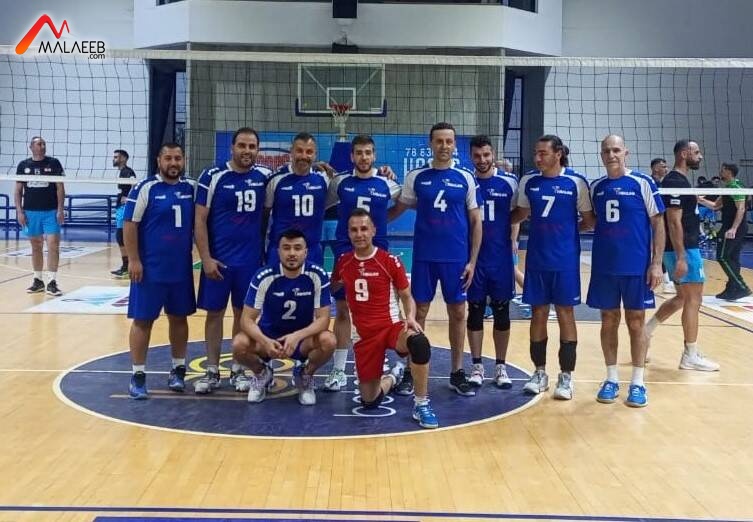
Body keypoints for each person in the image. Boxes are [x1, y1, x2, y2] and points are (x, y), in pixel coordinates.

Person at [389, 122, 482, 397]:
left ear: (454, 145)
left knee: (458, 312)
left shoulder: (465, 177)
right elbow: (398, 208)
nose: (444, 146)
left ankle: (457, 372)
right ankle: (410, 371)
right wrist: (372, 223)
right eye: (439, 141)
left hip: (456, 258)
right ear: (430, 144)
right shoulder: (416, 176)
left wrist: (472, 261)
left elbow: (476, 221)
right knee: (418, 313)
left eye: (448, 141)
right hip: (424, 257)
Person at [331, 209, 438, 428]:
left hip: (391, 328)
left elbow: (407, 296)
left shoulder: (389, 261)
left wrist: (410, 317)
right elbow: (334, 286)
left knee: (419, 342)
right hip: (364, 337)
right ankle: (394, 376)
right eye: (354, 230)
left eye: (364, 229)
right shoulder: (343, 262)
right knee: (370, 401)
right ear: (348, 233)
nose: (359, 234)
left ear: (373, 230)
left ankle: (421, 404)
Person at [511, 134, 595, 400]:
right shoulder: (529, 181)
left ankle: (566, 377)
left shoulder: (576, 182)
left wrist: (567, 231)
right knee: (538, 313)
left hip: (565, 261)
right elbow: (520, 214)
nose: (537, 158)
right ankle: (539, 373)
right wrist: (492, 222)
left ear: (558, 154)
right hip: (537, 259)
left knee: (565, 313)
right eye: (536, 153)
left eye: (543, 153)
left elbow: (590, 221)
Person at [588, 135, 666, 408]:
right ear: (601, 155)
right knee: (608, 320)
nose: (611, 155)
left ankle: (638, 382)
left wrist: (656, 263)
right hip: (605, 266)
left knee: (636, 322)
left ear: (626, 153)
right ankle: (611, 378)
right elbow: (591, 221)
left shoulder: (642, 182)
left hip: (636, 267)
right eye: (606, 151)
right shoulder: (596, 187)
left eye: (616, 150)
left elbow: (658, 223)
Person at [193, 127, 272, 394]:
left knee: (243, 315)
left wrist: (319, 168)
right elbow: (199, 220)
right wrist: (206, 258)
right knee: (214, 314)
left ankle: (238, 370)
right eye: (242, 145)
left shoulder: (264, 176)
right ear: (232, 147)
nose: (247, 151)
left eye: (252, 146)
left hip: (250, 261)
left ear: (258, 150)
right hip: (219, 261)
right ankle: (212, 371)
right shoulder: (212, 175)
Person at [322, 134, 401, 392]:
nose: (364, 157)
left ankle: (382, 362)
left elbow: (404, 203)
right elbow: (323, 202)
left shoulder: (387, 182)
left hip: (378, 254)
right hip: (346, 252)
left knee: (377, 311)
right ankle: (338, 369)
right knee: (343, 309)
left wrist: (382, 221)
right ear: (352, 156)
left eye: (368, 152)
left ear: (374, 155)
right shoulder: (340, 182)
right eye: (359, 152)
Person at [124, 143, 196, 399]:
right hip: (150, 269)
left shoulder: (192, 188)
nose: (173, 163)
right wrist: (133, 260)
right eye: (168, 158)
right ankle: (137, 375)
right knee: (143, 320)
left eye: (178, 158)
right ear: (159, 160)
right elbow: (129, 224)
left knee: (179, 318)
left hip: (181, 268)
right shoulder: (146, 188)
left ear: (184, 160)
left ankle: (178, 370)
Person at [232, 229, 336, 405]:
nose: (292, 253)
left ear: (306, 252)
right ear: (278, 251)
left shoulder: (317, 274)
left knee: (329, 340)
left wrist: (296, 336)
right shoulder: (264, 276)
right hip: (269, 338)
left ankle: (305, 375)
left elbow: (323, 319)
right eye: (286, 248)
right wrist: (265, 341)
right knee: (239, 344)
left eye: (297, 248)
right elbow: (246, 320)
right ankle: (262, 373)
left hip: (301, 340)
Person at [645, 139, 719, 371]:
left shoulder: (680, 180)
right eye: (696, 152)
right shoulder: (675, 181)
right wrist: (681, 257)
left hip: (683, 248)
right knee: (694, 300)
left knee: (682, 298)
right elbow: (673, 222)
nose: (700, 156)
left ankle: (646, 332)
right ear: (684, 154)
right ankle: (690, 355)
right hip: (684, 249)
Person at [466, 136, 518, 389]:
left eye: (486, 155)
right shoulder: (467, 180)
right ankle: (477, 366)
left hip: (500, 259)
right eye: (477, 156)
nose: (482, 160)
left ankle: (500, 366)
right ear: (471, 157)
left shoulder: (509, 182)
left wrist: (513, 238)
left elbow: (520, 211)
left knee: (502, 311)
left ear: (493, 154)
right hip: (474, 259)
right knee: (475, 311)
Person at [265, 133, 329, 267]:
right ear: (291, 152)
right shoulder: (275, 179)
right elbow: (264, 215)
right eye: (299, 151)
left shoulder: (324, 179)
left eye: (309, 152)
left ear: (315, 155)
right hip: (281, 251)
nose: (304, 156)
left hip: (312, 251)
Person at [15, 136, 65, 296]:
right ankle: (38, 280)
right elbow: (18, 191)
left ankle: (52, 282)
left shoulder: (53, 163)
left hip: (51, 211)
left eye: (44, 144)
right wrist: (19, 211)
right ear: (31, 147)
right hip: (31, 212)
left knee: (53, 245)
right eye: (39, 144)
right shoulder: (23, 165)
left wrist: (60, 209)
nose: (42, 146)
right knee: (36, 246)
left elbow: (60, 188)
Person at [698, 162, 751, 301]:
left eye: (722, 170)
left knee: (722, 256)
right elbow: (716, 206)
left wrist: (733, 228)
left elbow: (741, 209)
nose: (720, 172)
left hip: (733, 227)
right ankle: (731, 289)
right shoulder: (728, 187)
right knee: (732, 258)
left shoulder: (736, 187)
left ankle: (741, 286)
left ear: (728, 171)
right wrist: (699, 200)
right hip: (730, 226)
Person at [110, 149, 137, 278]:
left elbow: (135, 185)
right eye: (114, 157)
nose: (114, 159)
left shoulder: (127, 171)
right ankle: (125, 265)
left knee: (122, 236)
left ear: (124, 158)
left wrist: (129, 198)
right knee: (120, 236)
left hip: (124, 207)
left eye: (116, 157)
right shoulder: (122, 172)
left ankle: (127, 266)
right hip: (121, 207)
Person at [650, 157, 675, 295]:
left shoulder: (664, 184)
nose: (666, 169)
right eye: (663, 166)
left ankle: (667, 281)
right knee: (655, 251)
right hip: (650, 222)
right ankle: (666, 282)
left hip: (661, 222)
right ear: (655, 168)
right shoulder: (650, 182)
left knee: (660, 251)